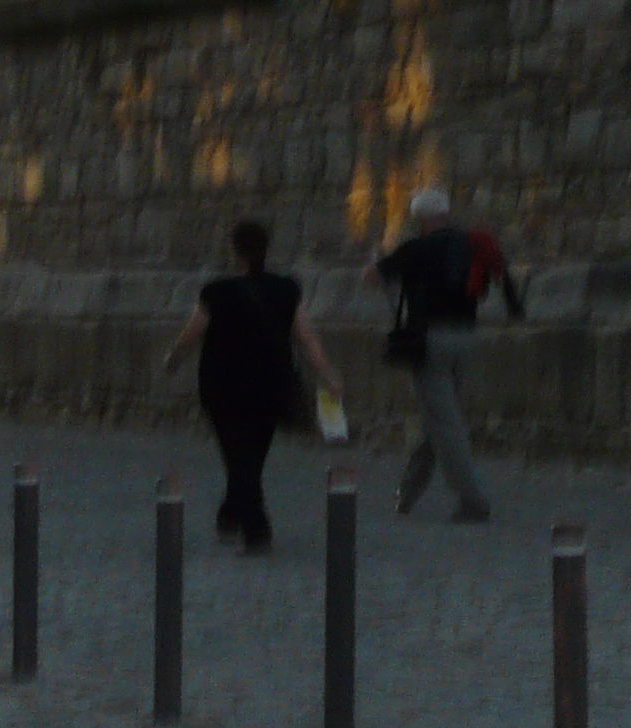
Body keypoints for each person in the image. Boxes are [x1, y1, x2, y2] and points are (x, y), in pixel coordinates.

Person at [162, 221, 340, 554]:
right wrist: (328, 373)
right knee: (252, 455)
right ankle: (231, 513)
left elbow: (192, 333)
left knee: (238, 455)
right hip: (271, 384)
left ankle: (256, 529)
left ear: (235, 251)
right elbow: (306, 337)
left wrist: (172, 360)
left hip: (223, 385)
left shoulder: (216, 292)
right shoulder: (287, 289)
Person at [375, 186, 524, 524]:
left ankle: (473, 500)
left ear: (420, 219)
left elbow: (374, 276)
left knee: (446, 424)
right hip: (465, 337)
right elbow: (502, 277)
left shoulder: (415, 249)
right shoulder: (473, 243)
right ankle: (408, 493)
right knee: (438, 419)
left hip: (430, 340)